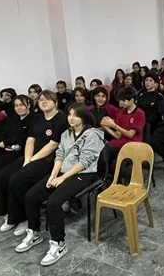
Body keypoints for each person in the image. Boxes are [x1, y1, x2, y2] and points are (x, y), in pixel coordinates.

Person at [14, 104, 106, 264]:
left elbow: (85, 162)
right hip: (62, 172)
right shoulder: (66, 134)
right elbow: (60, 155)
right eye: (69, 114)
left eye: (75, 115)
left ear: (83, 117)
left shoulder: (92, 135)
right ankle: (34, 233)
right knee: (31, 196)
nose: (71, 118)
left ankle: (59, 244)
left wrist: (62, 178)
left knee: (53, 202)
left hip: (84, 174)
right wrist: (53, 175)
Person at [0, 91, 68, 234]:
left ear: (55, 102)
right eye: (41, 100)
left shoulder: (61, 118)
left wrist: (32, 160)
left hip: (50, 159)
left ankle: (24, 219)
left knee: (17, 180)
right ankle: (12, 216)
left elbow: (53, 144)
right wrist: (28, 159)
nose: (44, 102)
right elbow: (30, 140)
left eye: (48, 99)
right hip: (32, 156)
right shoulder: (37, 118)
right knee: (3, 175)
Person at [0, 95, 36, 198]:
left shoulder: (34, 118)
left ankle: (4, 194)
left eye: (22, 105)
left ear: (28, 105)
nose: (19, 108)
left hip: (22, 150)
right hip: (8, 147)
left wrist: (8, 143)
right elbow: (7, 132)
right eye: (16, 105)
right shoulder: (13, 118)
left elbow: (25, 137)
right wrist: (5, 142)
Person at [98, 86, 146, 178]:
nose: (121, 103)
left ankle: (116, 180)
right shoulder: (121, 113)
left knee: (116, 163)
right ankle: (104, 178)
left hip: (133, 145)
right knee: (104, 153)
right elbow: (118, 136)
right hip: (120, 143)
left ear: (132, 100)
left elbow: (130, 134)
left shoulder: (139, 113)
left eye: (124, 100)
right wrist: (106, 126)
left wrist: (113, 125)